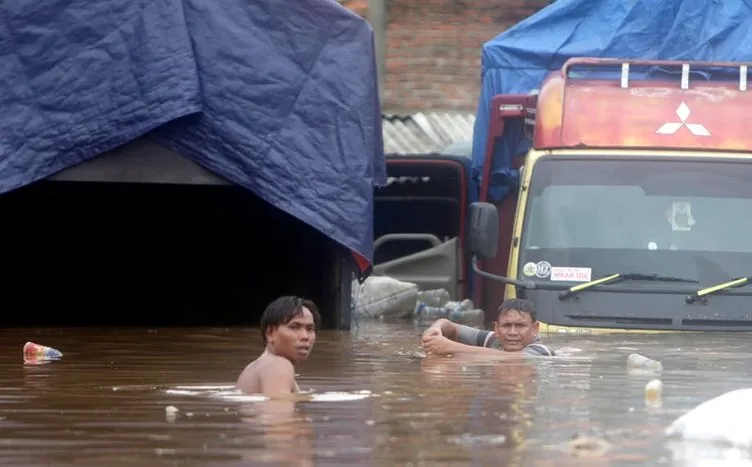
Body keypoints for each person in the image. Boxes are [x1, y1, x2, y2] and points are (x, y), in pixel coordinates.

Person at [236, 295, 321, 396]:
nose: (305, 336)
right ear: (270, 333)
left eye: (310, 329)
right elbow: (278, 410)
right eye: (294, 327)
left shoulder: (253, 367)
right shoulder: (280, 365)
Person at [421, 298, 554, 357]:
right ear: (496, 329)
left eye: (520, 326)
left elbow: (516, 359)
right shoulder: (494, 340)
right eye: (507, 325)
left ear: (535, 329)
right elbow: (449, 326)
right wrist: (436, 330)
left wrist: (449, 347)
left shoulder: (541, 351)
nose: (512, 332)